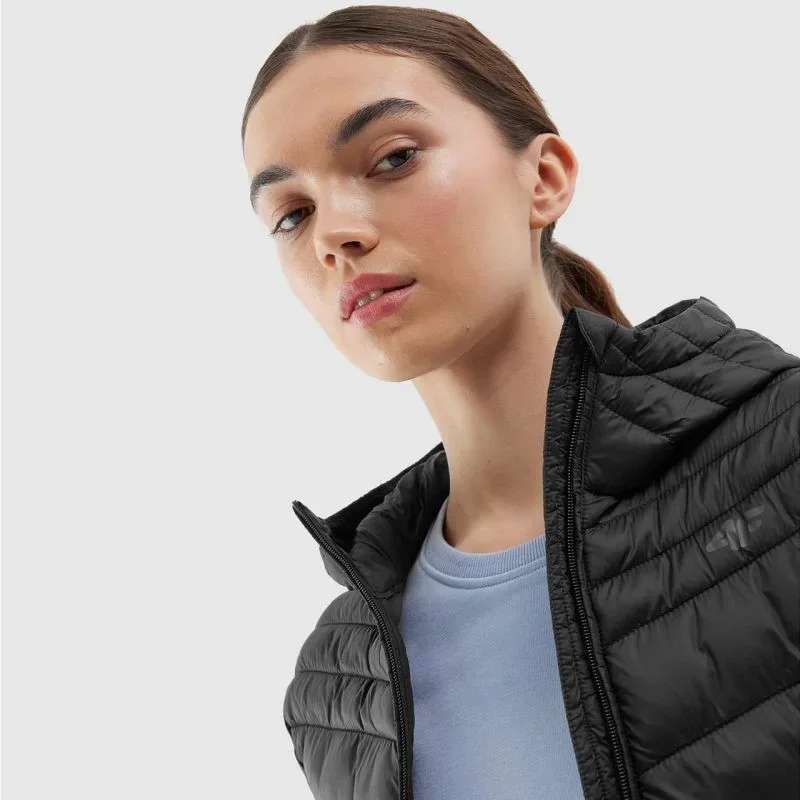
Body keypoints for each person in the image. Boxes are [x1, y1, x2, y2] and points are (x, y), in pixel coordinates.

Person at [240, 7, 800, 799]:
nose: (335, 233)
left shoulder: (781, 460)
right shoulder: (337, 692)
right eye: (292, 214)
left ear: (544, 179)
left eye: (393, 158)